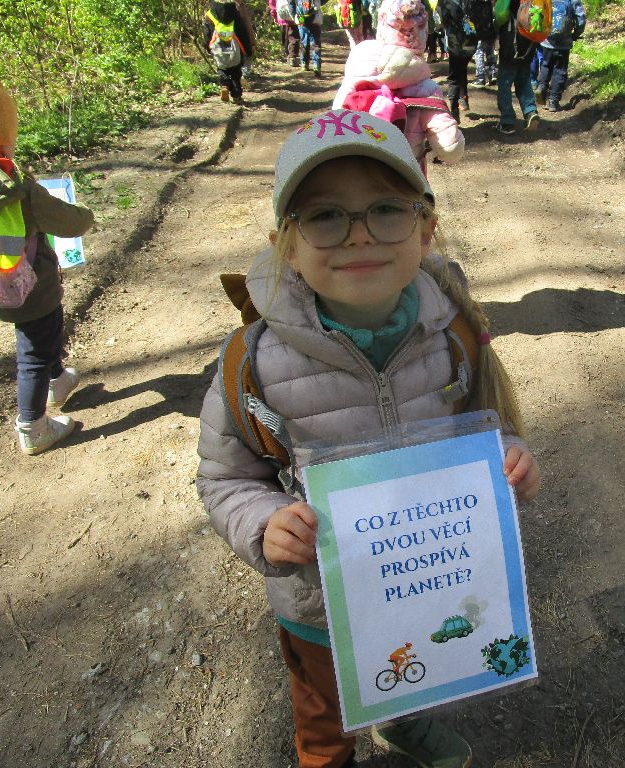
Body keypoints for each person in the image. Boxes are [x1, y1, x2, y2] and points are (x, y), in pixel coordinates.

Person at [197, 108, 541, 768]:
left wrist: (509, 462)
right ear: (286, 244)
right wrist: (264, 524)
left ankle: (405, 724)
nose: (358, 235)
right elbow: (225, 478)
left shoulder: (452, 335)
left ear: (425, 228)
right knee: (323, 713)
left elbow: (484, 426)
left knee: (414, 659)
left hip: (424, 581)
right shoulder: (255, 363)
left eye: (385, 209)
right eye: (325, 216)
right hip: (319, 602)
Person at [0, 68, 95, 455]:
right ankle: (32, 426)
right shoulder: (15, 187)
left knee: (40, 336)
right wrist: (86, 214)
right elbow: (71, 222)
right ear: (2, 136)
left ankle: (58, 380)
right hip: (32, 286)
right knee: (35, 350)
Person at [332, 0, 465, 175]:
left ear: (381, 25)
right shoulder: (425, 87)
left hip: (359, 170)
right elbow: (450, 148)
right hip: (403, 176)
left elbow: (336, 113)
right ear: (423, 33)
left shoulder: (359, 64)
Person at [496, 0, 540, 135]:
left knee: (505, 81)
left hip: (511, 39)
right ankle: (530, 111)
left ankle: (507, 121)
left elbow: (500, 13)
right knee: (523, 78)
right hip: (529, 40)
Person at [536, 0, 586, 111]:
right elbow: (581, 19)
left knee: (545, 65)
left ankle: (541, 86)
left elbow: (538, 11)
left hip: (547, 40)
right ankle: (553, 101)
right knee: (560, 70)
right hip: (564, 43)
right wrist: (576, 34)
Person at [203, 0, 255, 103]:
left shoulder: (210, 15)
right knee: (236, 71)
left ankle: (224, 85)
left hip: (218, 47)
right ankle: (236, 96)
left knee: (222, 68)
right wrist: (248, 49)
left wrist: (208, 47)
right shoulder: (235, 13)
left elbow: (207, 33)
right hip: (235, 48)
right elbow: (242, 33)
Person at [437, 0, 479, 119]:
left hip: (455, 43)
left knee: (454, 77)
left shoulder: (446, 2)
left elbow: (440, 20)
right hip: (471, 41)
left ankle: (454, 110)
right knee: (462, 69)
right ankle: (463, 99)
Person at [268, 0, 302, 66]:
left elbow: (272, 2)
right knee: (293, 37)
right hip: (294, 13)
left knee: (285, 37)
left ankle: (290, 55)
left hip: (282, 13)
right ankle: (292, 56)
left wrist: (274, 14)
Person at [296, 0, 324, 75]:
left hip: (301, 18)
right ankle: (316, 65)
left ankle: (304, 63)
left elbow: (291, 3)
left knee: (304, 41)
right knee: (316, 42)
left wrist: (294, 14)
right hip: (315, 18)